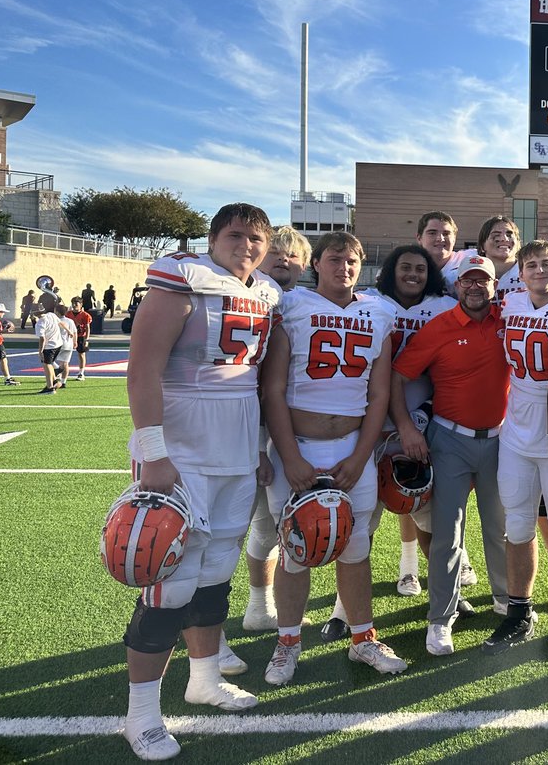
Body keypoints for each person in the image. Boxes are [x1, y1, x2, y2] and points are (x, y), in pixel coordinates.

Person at [120, 203, 280, 761]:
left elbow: (256, 381)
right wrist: (154, 452)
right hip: (182, 449)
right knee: (170, 582)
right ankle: (141, 714)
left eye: (256, 237)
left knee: (216, 573)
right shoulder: (179, 277)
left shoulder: (265, 292)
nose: (247, 245)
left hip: (236, 449)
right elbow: (143, 369)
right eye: (235, 235)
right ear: (212, 239)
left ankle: (204, 678)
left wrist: (258, 449)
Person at [260, 231, 407, 686]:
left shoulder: (379, 312)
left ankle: (363, 638)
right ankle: (288, 643)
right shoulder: (293, 307)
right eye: (335, 259)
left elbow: (380, 392)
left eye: (352, 260)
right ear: (315, 263)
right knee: (295, 551)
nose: (344, 267)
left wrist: (362, 456)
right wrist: (290, 457)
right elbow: (274, 388)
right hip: (297, 448)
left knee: (355, 547)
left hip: (351, 448)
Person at [318, 242, 459, 642]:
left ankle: (444, 596)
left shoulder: (444, 306)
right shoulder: (372, 304)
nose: (413, 274)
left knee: (431, 516)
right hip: (371, 425)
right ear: (390, 271)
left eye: (420, 268)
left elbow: (452, 371)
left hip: (426, 421)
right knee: (363, 520)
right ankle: (344, 610)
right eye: (405, 267)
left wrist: (423, 415)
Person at [392, 254, 510, 657]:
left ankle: (506, 599)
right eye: (468, 281)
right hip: (449, 439)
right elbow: (398, 376)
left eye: (484, 281)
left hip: (499, 439)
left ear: (494, 286)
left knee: (500, 528)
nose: (476, 287)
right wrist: (407, 428)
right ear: (456, 286)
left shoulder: (508, 321)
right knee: (448, 532)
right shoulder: (438, 327)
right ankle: (440, 618)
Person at [486, 239, 548, 657]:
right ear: (520, 273)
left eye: (546, 263)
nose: (539, 271)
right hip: (516, 431)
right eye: (531, 265)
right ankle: (519, 613)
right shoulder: (508, 304)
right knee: (520, 527)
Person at [231, 227, 311, 663]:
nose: (284, 259)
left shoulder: (305, 304)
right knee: (255, 525)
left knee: (285, 524)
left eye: (294, 255)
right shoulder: (245, 296)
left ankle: (268, 606)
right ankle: (258, 604)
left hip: (291, 425)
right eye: (276, 252)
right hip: (244, 423)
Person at [415, 210, 480, 586]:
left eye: (446, 233)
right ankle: (410, 568)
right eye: (432, 232)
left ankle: (449, 572)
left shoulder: (463, 267)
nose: (440, 239)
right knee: (391, 502)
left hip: (444, 403)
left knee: (435, 499)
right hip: (399, 401)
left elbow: (502, 263)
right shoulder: (394, 287)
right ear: (420, 236)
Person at [478, 215, 526, 303]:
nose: (504, 239)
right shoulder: (468, 274)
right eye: (496, 235)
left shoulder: (531, 273)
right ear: (482, 246)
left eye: (509, 234)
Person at [33, 293, 62, 394]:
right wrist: (69, 332)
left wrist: (40, 350)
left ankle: (50, 388)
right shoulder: (52, 315)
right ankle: (54, 381)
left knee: (47, 364)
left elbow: (42, 338)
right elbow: (61, 323)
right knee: (49, 363)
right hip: (58, 344)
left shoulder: (40, 322)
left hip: (50, 346)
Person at [0, 302, 20, 385]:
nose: (4, 314)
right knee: (3, 360)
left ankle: (8, 378)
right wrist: (3, 331)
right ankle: (7, 379)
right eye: (2, 312)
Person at [69, 296, 93, 380]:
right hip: (70, 337)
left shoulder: (85, 315)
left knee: (81, 354)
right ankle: (61, 371)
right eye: (73, 303)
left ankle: (81, 372)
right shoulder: (68, 314)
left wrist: (87, 339)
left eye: (76, 303)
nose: (74, 305)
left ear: (81, 304)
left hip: (81, 336)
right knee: (65, 354)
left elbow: (87, 327)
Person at [55, 303, 77, 388]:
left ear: (57, 312)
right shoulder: (70, 321)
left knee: (49, 361)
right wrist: (75, 342)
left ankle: (57, 374)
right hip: (69, 344)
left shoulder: (57, 320)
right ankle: (63, 381)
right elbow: (75, 332)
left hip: (59, 343)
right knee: (65, 363)